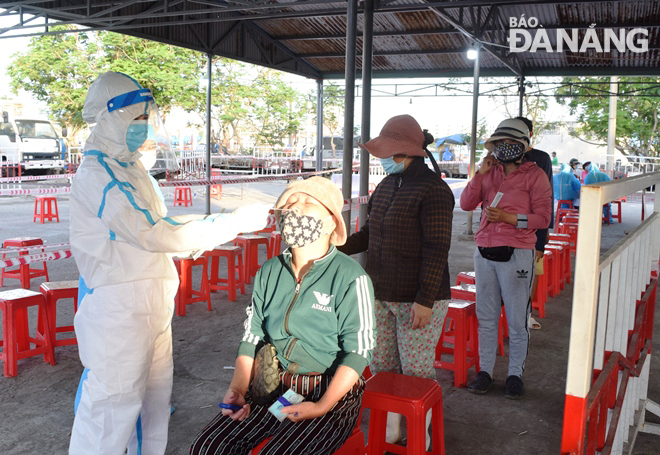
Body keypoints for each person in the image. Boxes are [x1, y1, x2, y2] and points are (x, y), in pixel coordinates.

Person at [69, 72, 271, 455]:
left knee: (152, 405)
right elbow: (156, 234)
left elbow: (164, 228)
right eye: (136, 119)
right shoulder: (99, 175)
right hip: (119, 314)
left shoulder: (131, 167)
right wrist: (233, 222)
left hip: (152, 305)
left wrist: (217, 225)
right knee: (110, 414)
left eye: (146, 118)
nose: (143, 127)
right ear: (110, 119)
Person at [190, 177, 375, 455]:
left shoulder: (350, 277)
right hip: (273, 385)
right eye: (289, 203)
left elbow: (358, 352)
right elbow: (252, 336)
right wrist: (239, 389)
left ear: (331, 222)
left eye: (309, 202)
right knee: (207, 448)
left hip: (328, 392)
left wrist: (322, 406)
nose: (295, 208)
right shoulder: (269, 271)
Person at [338, 114, 454, 448]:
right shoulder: (387, 185)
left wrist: (425, 299)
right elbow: (368, 234)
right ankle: (389, 432)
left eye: (389, 153)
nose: (384, 160)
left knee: (416, 371)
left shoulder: (434, 190)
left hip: (417, 297)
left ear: (407, 153)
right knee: (383, 367)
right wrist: (332, 248)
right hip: (381, 292)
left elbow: (437, 249)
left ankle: (423, 436)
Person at [460, 118, 552, 399]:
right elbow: (466, 204)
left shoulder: (535, 176)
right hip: (485, 252)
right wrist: (479, 174)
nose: (504, 148)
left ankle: (515, 375)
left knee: (517, 318)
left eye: (510, 143)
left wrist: (511, 219)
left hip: (518, 252)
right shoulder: (489, 172)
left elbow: (544, 217)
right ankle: (485, 372)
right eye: (499, 143)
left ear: (523, 146)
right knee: (486, 316)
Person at [516, 116, 553, 331]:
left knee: (531, 270)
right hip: (504, 229)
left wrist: (542, 235)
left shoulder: (541, 158)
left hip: (532, 227)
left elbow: (547, 198)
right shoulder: (499, 157)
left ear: (529, 134)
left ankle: (526, 314)